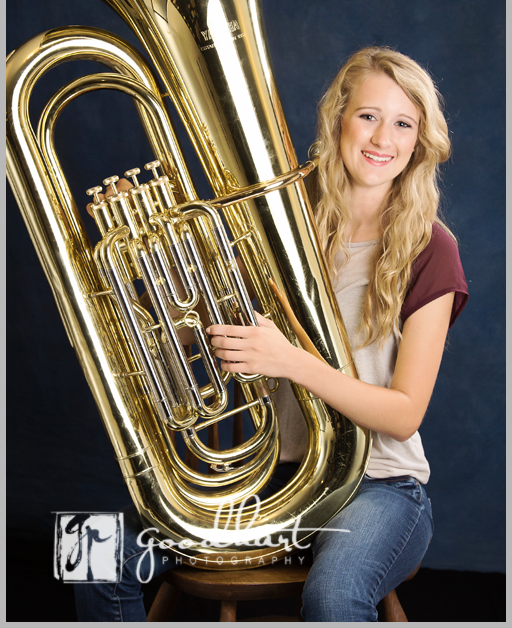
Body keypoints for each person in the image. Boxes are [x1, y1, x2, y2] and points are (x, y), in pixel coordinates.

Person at [75, 46, 468, 621]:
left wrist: (291, 361)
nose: (383, 137)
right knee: (88, 547)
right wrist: (150, 273)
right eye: (368, 116)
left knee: (332, 596)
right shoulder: (282, 217)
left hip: (379, 488)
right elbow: (206, 326)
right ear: (339, 119)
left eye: (403, 123)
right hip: (272, 479)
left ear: (418, 141)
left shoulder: (432, 248)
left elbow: (405, 414)